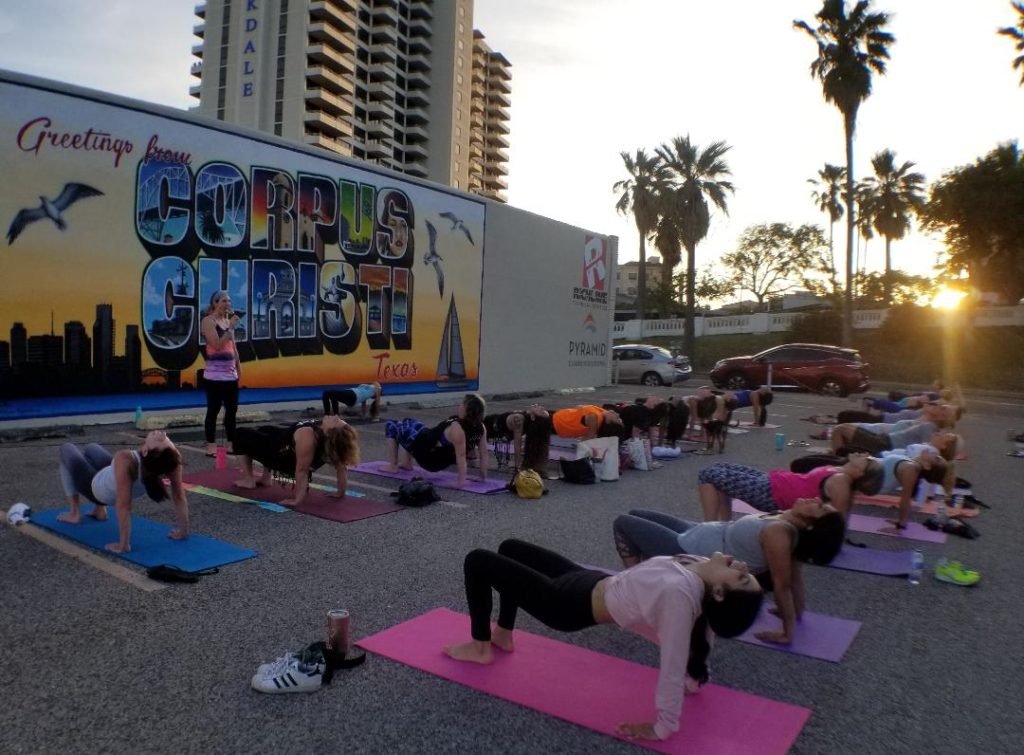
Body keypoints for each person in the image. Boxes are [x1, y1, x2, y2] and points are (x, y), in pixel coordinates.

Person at [443, 538, 763, 741]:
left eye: (742, 577)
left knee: (477, 560)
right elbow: (704, 628)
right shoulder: (700, 569)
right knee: (510, 549)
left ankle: (480, 647)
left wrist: (663, 726)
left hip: (566, 604)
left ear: (720, 592)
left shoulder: (679, 596)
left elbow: (674, 658)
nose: (744, 567)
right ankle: (503, 634)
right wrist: (697, 677)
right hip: (587, 580)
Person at [613, 499, 845, 644]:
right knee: (636, 512)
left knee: (623, 523)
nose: (816, 499)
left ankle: (634, 589)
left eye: (820, 507)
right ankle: (652, 582)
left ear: (811, 524)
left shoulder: (780, 534)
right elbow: (796, 576)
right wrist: (799, 611)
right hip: (697, 531)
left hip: (691, 549)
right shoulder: (787, 521)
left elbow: (783, 583)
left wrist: (788, 631)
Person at [56, 431, 190, 553]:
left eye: (160, 439)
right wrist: (183, 531)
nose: (161, 434)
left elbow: (123, 506)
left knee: (66, 448)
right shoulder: (171, 460)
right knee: (91, 448)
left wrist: (123, 545)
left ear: (145, 451)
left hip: (96, 490)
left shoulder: (125, 458)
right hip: (112, 481)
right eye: (164, 437)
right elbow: (178, 496)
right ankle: (99, 511)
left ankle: (74, 513)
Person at [697, 456, 884, 521]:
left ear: (860, 472)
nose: (864, 454)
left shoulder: (841, 481)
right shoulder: (841, 470)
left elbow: (837, 521)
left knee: (708, 475)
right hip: (771, 481)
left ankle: (709, 528)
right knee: (721, 467)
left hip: (771, 494)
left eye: (867, 459)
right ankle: (723, 526)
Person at [232, 415, 360, 506]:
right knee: (266, 429)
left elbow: (301, 471)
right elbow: (341, 466)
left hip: (279, 456)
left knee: (240, 433)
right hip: (284, 442)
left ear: (328, 432)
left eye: (337, 421)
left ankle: (249, 480)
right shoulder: (331, 444)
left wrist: (297, 500)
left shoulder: (308, 437)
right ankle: (266, 478)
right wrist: (340, 492)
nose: (336, 416)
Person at [382, 393, 488, 488]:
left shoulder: (458, 430)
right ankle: (406, 463)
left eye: (462, 404)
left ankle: (393, 466)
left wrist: (460, 483)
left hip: (423, 453)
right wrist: (482, 476)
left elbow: (461, 457)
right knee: (408, 421)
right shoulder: (480, 427)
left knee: (391, 425)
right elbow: (484, 454)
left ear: (467, 410)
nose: (459, 406)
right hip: (426, 438)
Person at [828, 403, 960, 455]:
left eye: (942, 409)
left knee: (840, 429)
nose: (938, 406)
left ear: (942, 417)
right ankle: (838, 458)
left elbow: (928, 450)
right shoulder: (930, 426)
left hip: (884, 444)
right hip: (883, 440)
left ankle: (836, 461)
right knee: (845, 429)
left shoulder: (930, 428)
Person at [200, 290, 241, 456]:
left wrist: (239, 365)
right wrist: (231, 327)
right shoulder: (208, 321)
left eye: (229, 301)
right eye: (224, 301)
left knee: (232, 411)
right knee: (213, 410)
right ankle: (211, 446)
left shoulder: (226, 321)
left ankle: (231, 444)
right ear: (215, 303)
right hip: (214, 377)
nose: (228, 304)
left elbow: (233, 347)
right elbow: (216, 345)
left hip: (231, 375)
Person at [484, 404, 552, 475]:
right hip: (494, 426)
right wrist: (517, 466)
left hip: (495, 427)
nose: (541, 407)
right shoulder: (523, 420)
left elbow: (521, 446)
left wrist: (518, 466)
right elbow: (519, 445)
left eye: (541, 410)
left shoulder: (524, 421)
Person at [550, 404, 623, 440]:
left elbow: (589, 437)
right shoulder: (601, 413)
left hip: (555, 422)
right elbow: (579, 407)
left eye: (617, 418)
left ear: (608, 422)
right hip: (558, 418)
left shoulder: (594, 418)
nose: (617, 414)